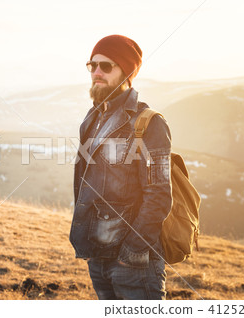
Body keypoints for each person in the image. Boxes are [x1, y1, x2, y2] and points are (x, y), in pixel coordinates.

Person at [69, 35, 173, 300]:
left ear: (126, 71)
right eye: (92, 65)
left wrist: (131, 252)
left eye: (106, 66)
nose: (96, 72)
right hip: (98, 258)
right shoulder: (92, 118)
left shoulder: (149, 123)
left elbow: (159, 196)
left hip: (134, 265)